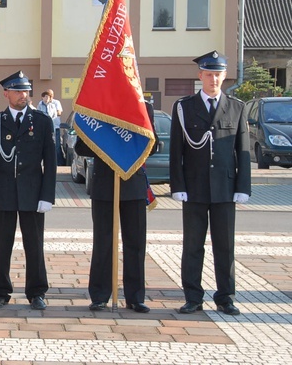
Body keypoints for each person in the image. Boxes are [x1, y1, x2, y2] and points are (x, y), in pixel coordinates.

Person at [170, 50, 251, 316]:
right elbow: (176, 152)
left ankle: (225, 297)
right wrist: (177, 186)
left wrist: (243, 187)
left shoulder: (237, 107)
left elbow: (243, 151)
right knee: (193, 245)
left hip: (225, 190)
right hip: (194, 188)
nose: (213, 79)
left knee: (225, 246)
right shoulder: (184, 107)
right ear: (200, 76)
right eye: (208, 74)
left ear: (225, 76)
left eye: (218, 74)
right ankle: (193, 297)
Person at [0, 71, 57, 310]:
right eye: (18, 91)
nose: (23, 95)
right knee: (0, 245)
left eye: (26, 91)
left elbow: (51, 162)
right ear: (7, 94)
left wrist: (47, 196)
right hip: (3, 193)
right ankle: (0, 292)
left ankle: (37, 292)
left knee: (34, 245)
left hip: (33, 194)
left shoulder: (42, 121)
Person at [75, 103, 158, 313]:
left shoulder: (142, 107)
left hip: (134, 183)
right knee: (103, 242)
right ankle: (100, 295)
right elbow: (80, 147)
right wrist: (107, 139)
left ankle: (135, 297)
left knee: (136, 243)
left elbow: (153, 145)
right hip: (105, 184)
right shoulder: (96, 105)